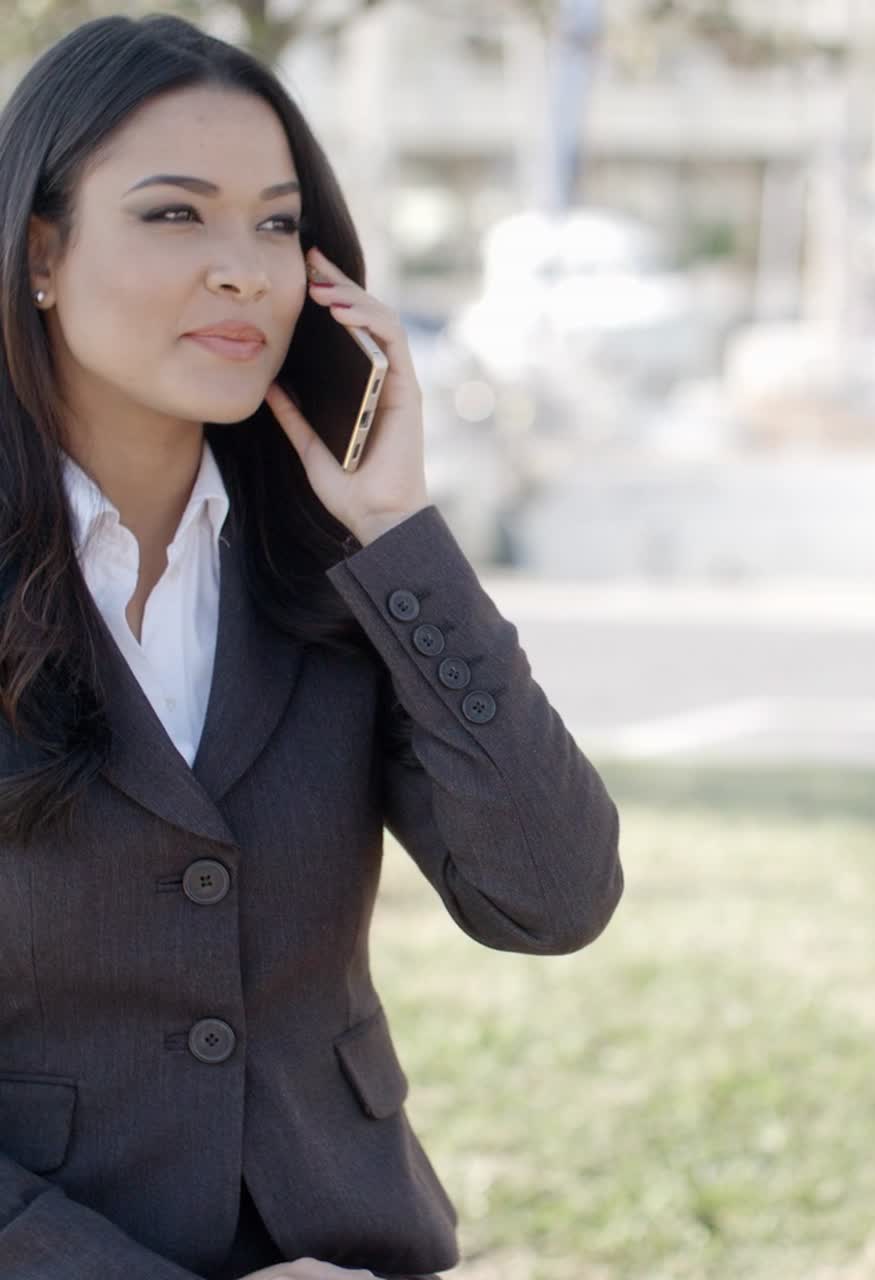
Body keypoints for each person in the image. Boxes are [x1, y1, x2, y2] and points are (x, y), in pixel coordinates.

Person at [0, 13, 624, 1280]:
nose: (246, 270)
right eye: (175, 214)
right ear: (42, 255)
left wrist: (400, 537)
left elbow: (553, 898)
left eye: (278, 223)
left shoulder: (339, 579)